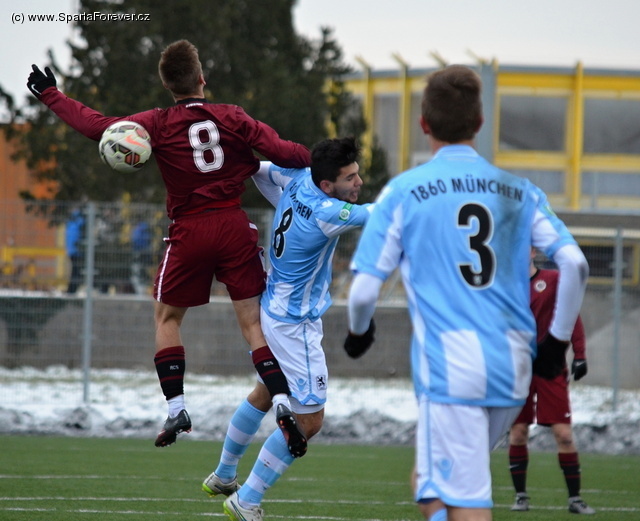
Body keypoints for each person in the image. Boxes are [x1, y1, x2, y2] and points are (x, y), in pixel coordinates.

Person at [27, 39, 311, 449]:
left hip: (189, 231)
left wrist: (51, 95)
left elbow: (98, 127)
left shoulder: (157, 123)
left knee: (167, 318)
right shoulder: (232, 115)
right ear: (202, 78)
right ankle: (282, 402)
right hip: (233, 226)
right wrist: (322, 161)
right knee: (253, 324)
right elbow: (284, 152)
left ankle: (177, 408)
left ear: (167, 85)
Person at [344, 65, 589, 521]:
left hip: (452, 365)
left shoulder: (403, 192)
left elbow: (361, 294)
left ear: (424, 124)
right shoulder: (520, 192)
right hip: (513, 365)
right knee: (430, 483)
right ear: (479, 123)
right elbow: (574, 264)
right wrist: (555, 343)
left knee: (462, 500)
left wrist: (359, 334)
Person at [201, 137, 372, 521]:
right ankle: (246, 500)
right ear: (327, 185)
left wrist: (279, 199)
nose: (358, 182)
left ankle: (225, 474)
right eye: (350, 178)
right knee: (310, 420)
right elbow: (379, 216)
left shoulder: (297, 177)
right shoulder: (328, 213)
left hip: (273, 308)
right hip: (296, 326)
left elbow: (259, 170)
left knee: (265, 392)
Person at [508, 250, 595, 515]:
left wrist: (579, 354)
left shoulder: (554, 279)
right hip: (517, 369)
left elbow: (571, 315)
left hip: (550, 368)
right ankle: (521, 497)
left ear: (533, 251)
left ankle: (575, 499)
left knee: (564, 435)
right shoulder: (503, 285)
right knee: (518, 432)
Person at [65, 207, 85, 294]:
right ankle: (72, 289)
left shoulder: (70, 221)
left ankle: (72, 289)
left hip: (71, 249)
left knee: (75, 270)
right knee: (76, 271)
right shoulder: (80, 220)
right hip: (77, 250)